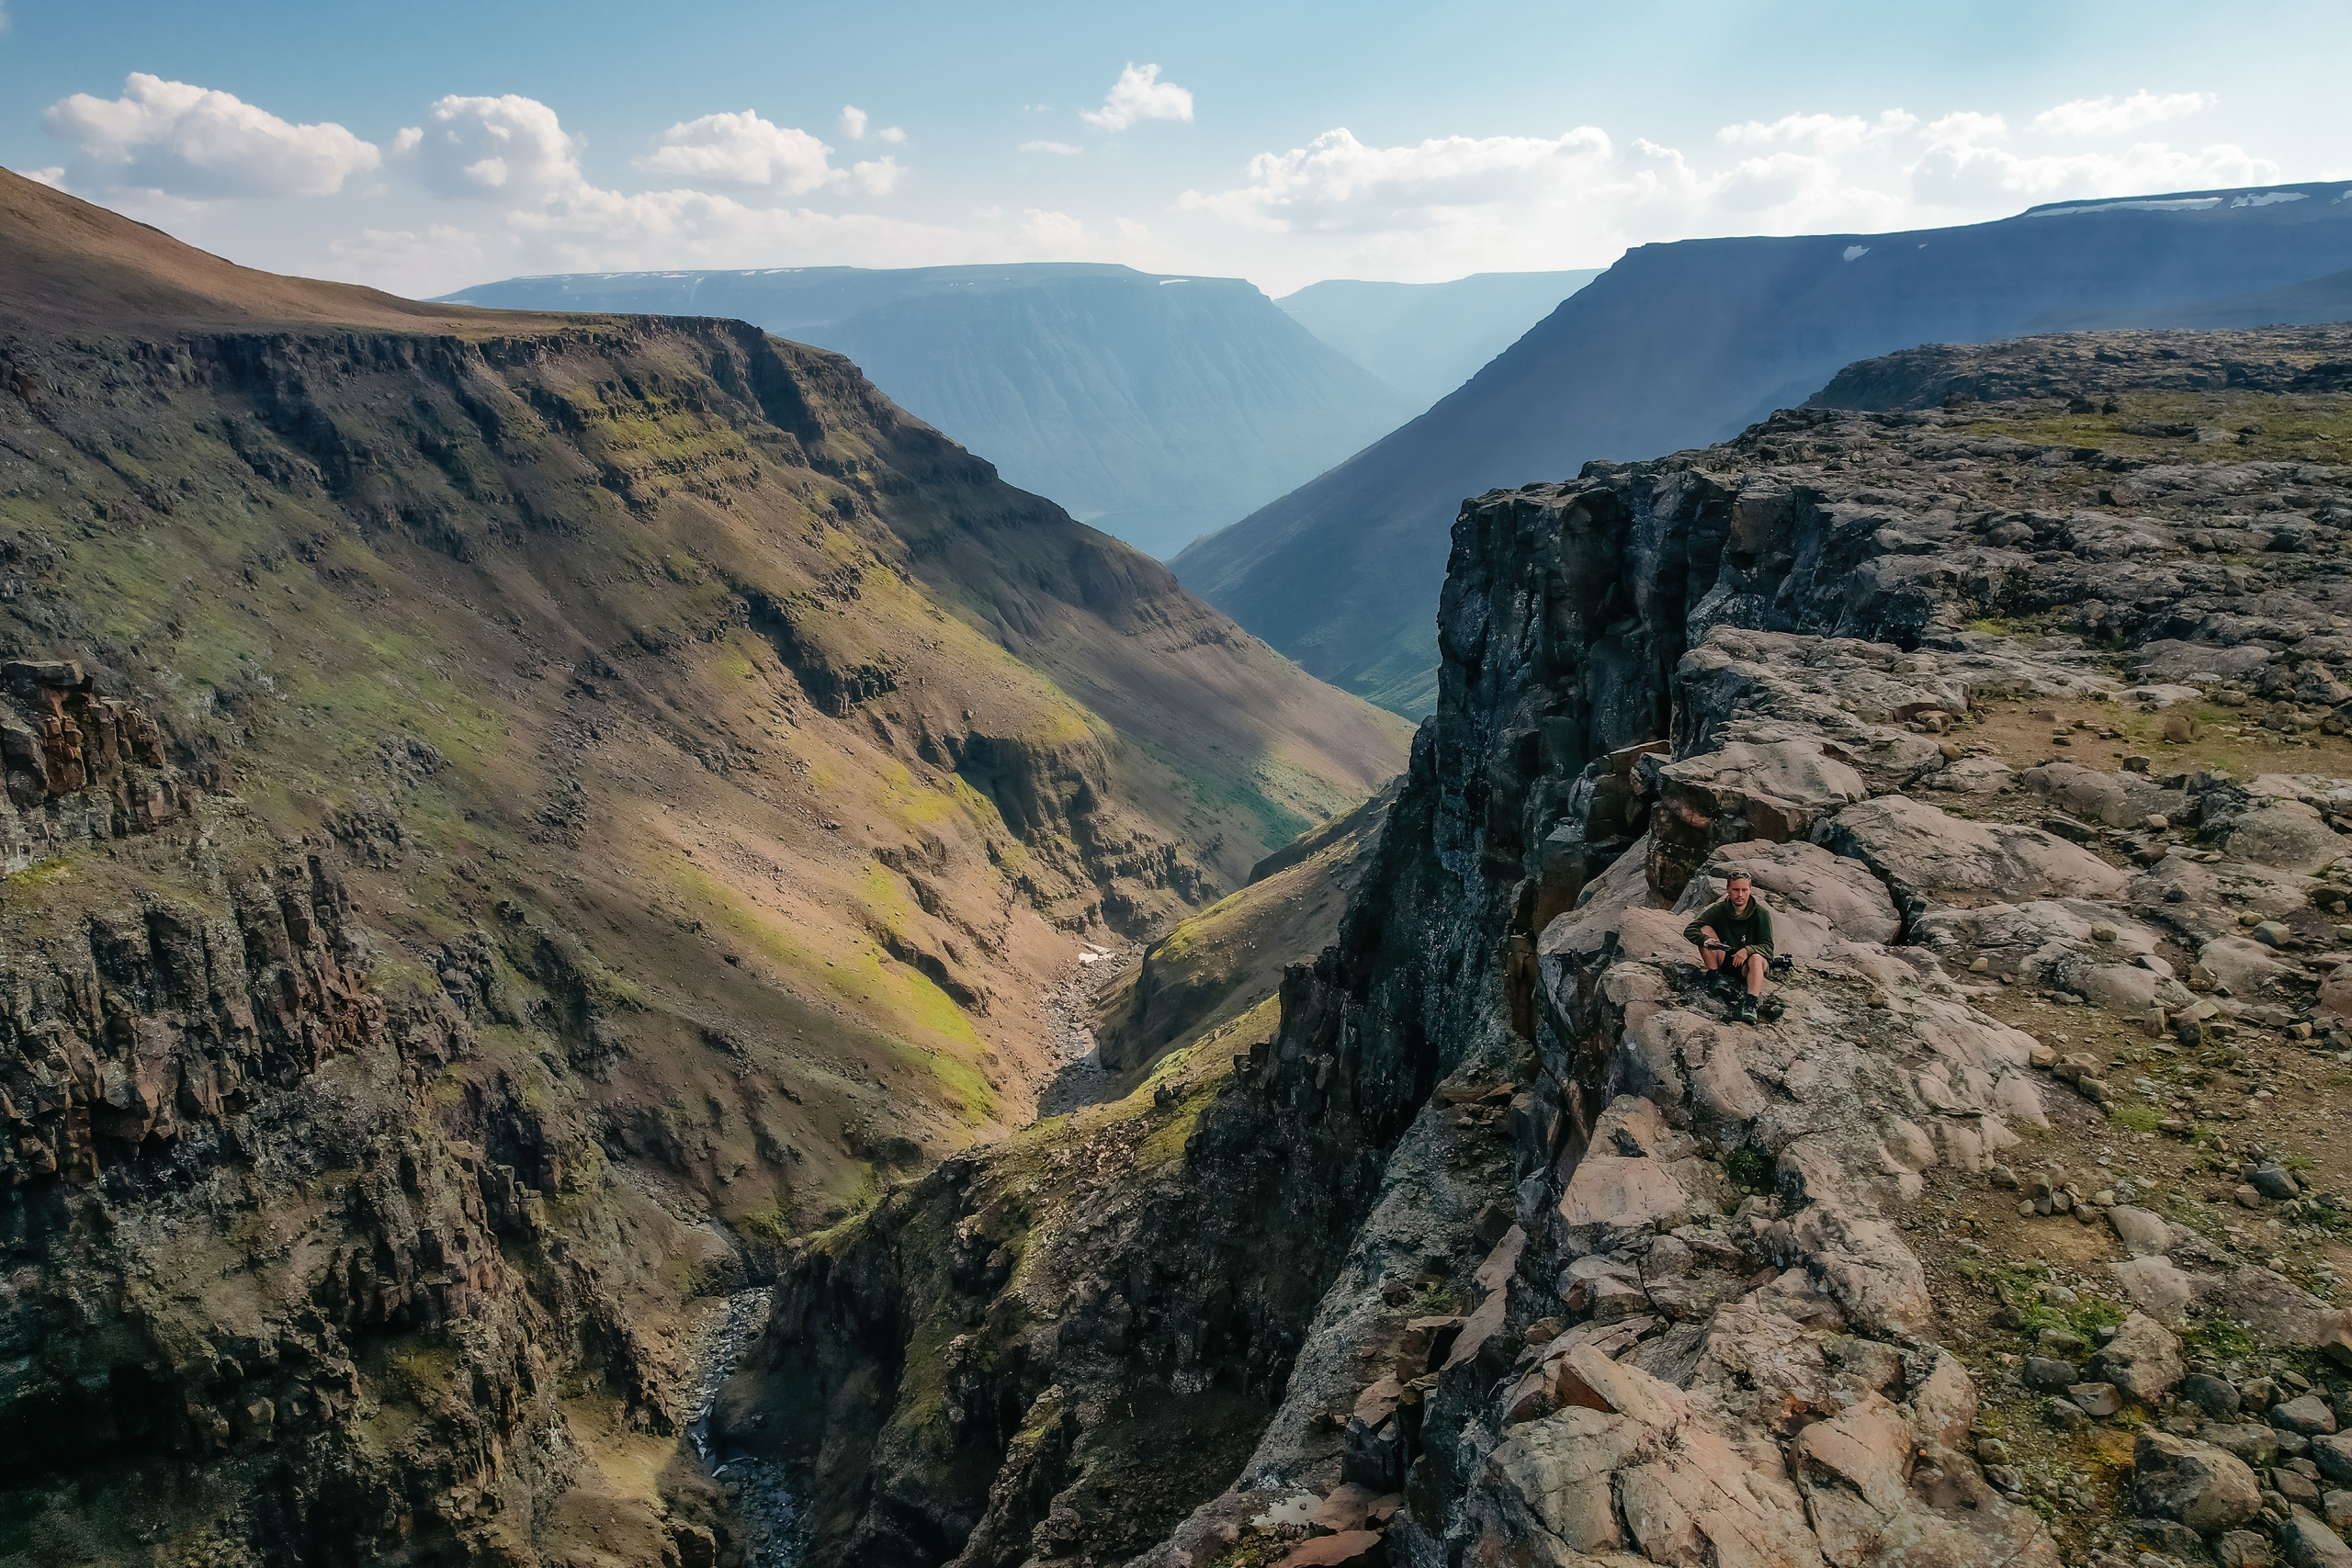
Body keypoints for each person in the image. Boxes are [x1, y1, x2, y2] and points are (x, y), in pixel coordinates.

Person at [1683, 872, 1775, 1023]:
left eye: (1744, 890)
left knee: (1757, 958)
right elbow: (1690, 930)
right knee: (1704, 930)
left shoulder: (1761, 914)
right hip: (1725, 960)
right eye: (1735, 890)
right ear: (1728, 889)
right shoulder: (1719, 909)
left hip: (1748, 967)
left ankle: (1751, 1003)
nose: (1740, 894)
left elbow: (1768, 948)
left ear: (1750, 890)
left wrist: (1747, 950)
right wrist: (1707, 941)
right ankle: (1715, 977)